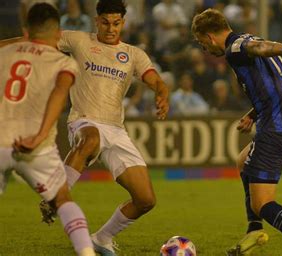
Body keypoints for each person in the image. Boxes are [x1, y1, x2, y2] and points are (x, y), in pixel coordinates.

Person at [0, 0, 169, 255]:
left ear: (123, 22)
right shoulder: (79, 41)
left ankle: (102, 238)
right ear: (96, 21)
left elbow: (155, 80)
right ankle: (55, 197)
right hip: (84, 120)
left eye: (116, 23)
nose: (111, 28)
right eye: (105, 22)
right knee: (90, 138)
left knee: (146, 200)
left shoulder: (133, 54)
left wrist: (162, 94)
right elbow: (36, 40)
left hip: (116, 129)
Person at [192, 8, 282, 256]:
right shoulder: (247, 38)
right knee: (242, 161)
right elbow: (273, 83)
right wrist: (253, 113)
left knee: (263, 204)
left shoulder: (235, 48)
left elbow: (262, 48)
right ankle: (253, 229)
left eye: (202, 43)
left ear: (209, 36)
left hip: (278, 129)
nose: (205, 49)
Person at [0, 3, 94, 256]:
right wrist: (40, 135)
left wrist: (21, 41)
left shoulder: (4, 53)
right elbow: (60, 92)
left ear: (25, 30)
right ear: (59, 33)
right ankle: (86, 253)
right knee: (62, 199)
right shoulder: (63, 62)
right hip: (35, 147)